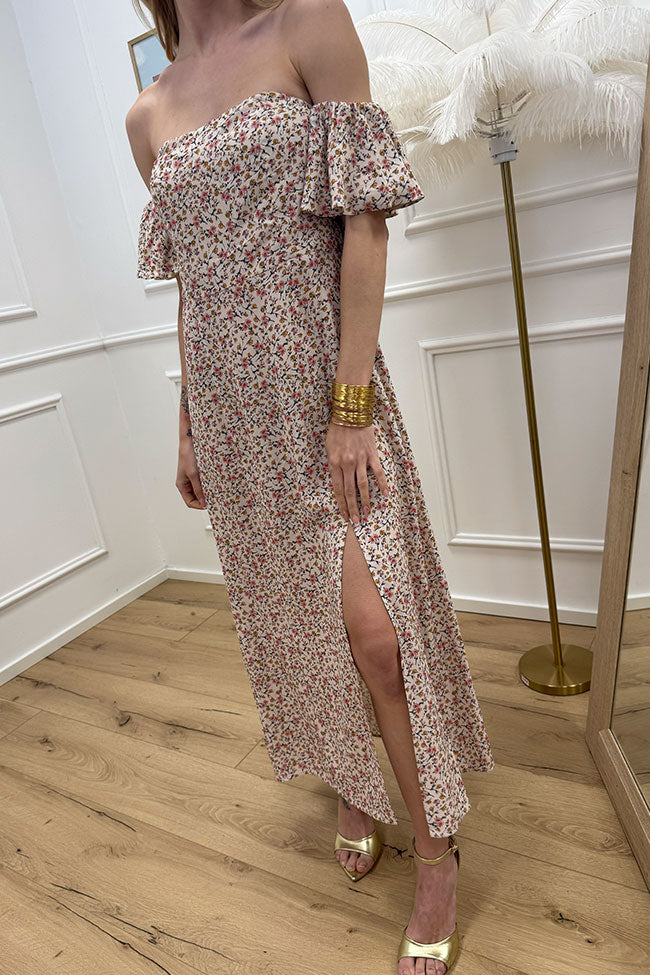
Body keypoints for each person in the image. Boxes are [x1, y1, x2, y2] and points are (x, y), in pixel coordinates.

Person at [126, 0, 495, 971]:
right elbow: (193, 289)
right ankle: (354, 781)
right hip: (231, 418)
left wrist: (349, 409)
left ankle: (435, 855)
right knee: (296, 622)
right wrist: (187, 421)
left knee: (376, 637)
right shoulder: (147, 112)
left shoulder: (304, 25)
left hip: (325, 396)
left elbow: (364, 224)